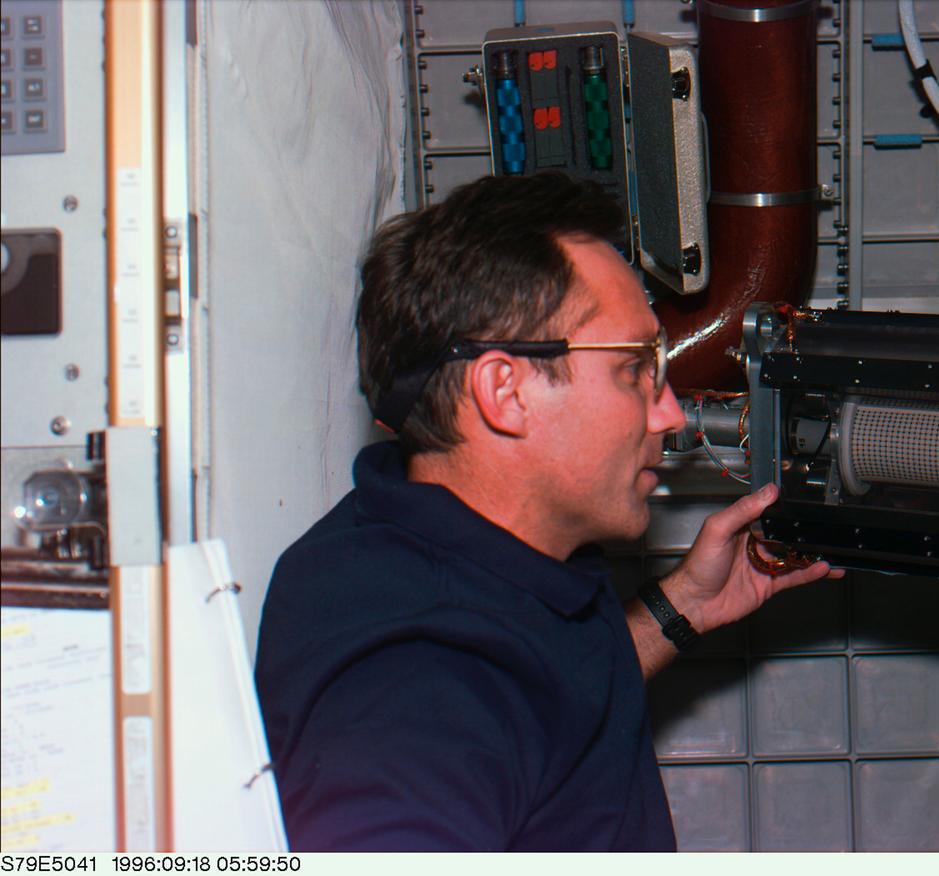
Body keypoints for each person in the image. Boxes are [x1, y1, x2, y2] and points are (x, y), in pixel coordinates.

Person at [254, 172, 836, 851]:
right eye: (633, 367)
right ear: (505, 392)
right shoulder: (411, 681)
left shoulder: (459, 555)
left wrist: (682, 608)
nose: (671, 413)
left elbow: (541, 702)